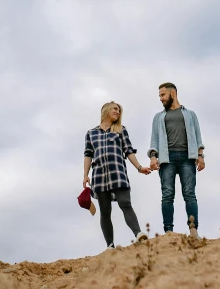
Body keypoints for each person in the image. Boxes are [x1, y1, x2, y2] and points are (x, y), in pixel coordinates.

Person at [83, 101, 151, 249]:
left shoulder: (121, 130)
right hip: (99, 174)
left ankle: (139, 234)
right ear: (106, 110)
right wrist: (85, 175)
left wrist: (139, 167)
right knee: (105, 211)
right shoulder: (91, 133)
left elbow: (128, 151)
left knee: (125, 203)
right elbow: (88, 155)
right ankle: (110, 246)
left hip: (118, 172)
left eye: (119, 110)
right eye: (115, 109)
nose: (118, 112)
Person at [148, 82, 205, 237]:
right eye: (159, 95)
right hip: (167, 159)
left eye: (162, 95)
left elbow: (198, 137)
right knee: (167, 195)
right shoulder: (158, 117)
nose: (160, 98)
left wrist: (200, 156)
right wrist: (153, 156)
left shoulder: (190, 114)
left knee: (189, 193)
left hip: (187, 157)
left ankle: (193, 229)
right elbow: (154, 139)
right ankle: (169, 231)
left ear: (172, 94)